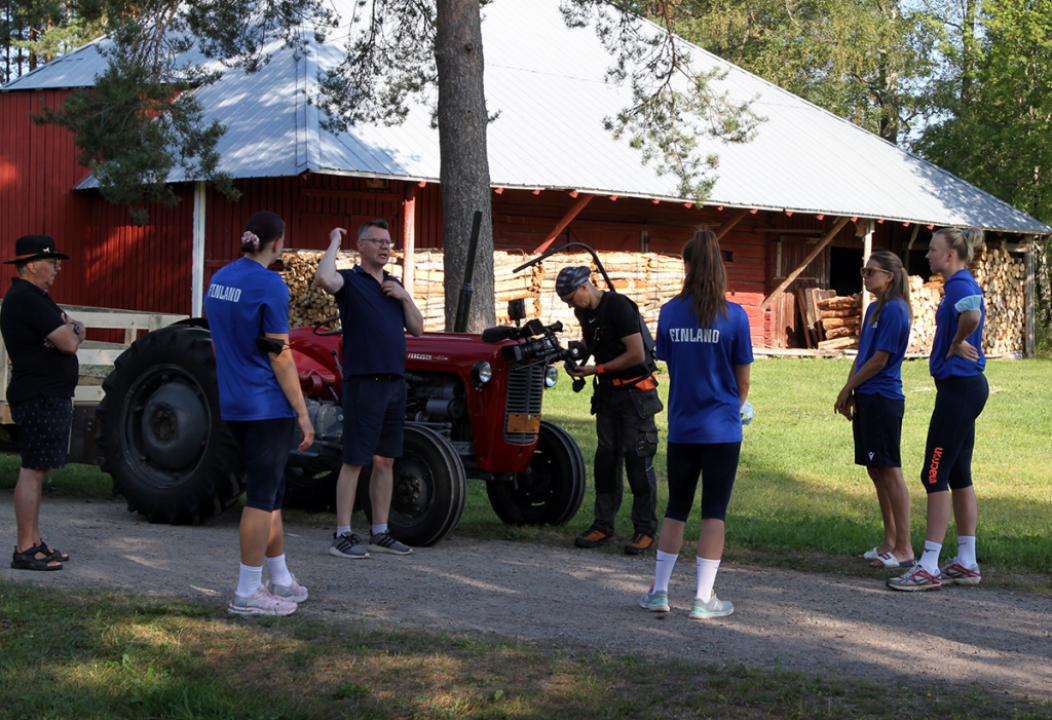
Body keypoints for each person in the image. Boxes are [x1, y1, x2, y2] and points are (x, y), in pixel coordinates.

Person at [204, 211, 315, 616]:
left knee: (273, 494)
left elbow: (218, 343)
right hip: (266, 405)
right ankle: (247, 591)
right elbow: (281, 354)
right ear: (277, 244)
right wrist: (302, 412)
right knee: (262, 497)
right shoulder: (271, 284)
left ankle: (280, 579)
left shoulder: (218, 281)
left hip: (234, 403)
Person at [637, 230, 752, 618]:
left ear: (686, 266)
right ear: (720, 267)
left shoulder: (669, 312)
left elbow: (670, 362)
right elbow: (743, 380)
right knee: (713, 512)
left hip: (683, 426)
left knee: (676, 508)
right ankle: (704, 598)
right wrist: (738, 404)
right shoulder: (736, 316)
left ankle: (660, 591)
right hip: (722, 427)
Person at [314, 219, 424, 560]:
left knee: (386, 461)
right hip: (364, 383)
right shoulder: (350, 280)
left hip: (395, 384)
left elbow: (417, 329)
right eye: (377, 241)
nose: (385, 247)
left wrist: (404, 296)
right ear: (360, 246)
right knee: (355, 459)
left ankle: (380, 532)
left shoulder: (394, 285)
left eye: (388, 242)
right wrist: (333, 239)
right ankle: (342, 535)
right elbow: (322, 278)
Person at [888, 227, 988, 592]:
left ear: (950, 255)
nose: (928, 255)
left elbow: (973, 316)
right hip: (965, 388)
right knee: (959, 473)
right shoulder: (962, 283)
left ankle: (928, 565)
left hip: (960, 390)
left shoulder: (960, 284)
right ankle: (966, 560)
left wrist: (957, 341)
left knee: (934, 474)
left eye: (933, 250)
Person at [560, 265, 662, 555]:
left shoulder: (618, 306)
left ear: (584, 286)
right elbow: (593, 340)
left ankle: (644, 530)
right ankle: (602, 527)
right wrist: (577, 356)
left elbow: (636, 353)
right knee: (606, 461)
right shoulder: (585, 312)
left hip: (635, 396)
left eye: (570, 299)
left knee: (638, 460)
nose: (570, 307)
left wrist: (596, 368)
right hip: (607, 396)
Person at [2, 235, 84, 571]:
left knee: (39, 468)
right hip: (38, 395)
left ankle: (35, 541)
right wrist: (70, 330)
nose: (58, 267)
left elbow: (73, 329)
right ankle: (24, 548)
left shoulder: (39, 298)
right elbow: (69, 340)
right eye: (52, 262)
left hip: (48, 395)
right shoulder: (25, 297)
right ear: (32, 264)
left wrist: (71, 328)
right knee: (32, 471)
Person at [834, 251, 915, 569]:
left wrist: (848, 388)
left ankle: (905, 548)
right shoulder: (872, 309)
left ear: (889, 276)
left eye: (871, 271)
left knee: (890, 469)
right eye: (863, 270)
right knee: (875, 469)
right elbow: (863, 353)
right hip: (867, 395)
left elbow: (881, 359)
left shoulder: (896, 310)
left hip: (884, 398)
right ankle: (889, 541)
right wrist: (851, 387)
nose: (865, 276)